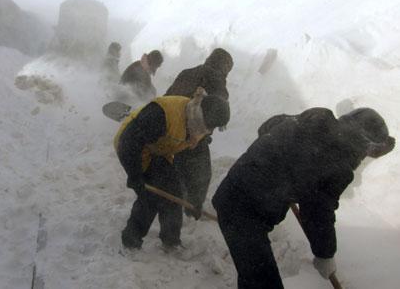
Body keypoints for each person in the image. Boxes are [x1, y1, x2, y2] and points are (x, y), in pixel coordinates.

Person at [212, 107, 395, 289]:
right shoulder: (339, 166)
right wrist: (325, 255)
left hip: (235, 193)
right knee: (263, 283)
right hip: (244, 213)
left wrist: (282, 161)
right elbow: (317, 212)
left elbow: (268, 126)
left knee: (254, 276)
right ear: (363, 144)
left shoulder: (314, 118)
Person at [114, 88, 230, 250]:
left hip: (158, 149)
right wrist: (135, 176)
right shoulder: (163, 114)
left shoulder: (198, 128)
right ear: (204, 115)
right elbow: (129, 141)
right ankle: (131, 241)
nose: (210, 131)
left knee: (174, 190)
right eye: (211, 126)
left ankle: (171, 241)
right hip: (132, 147)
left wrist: (195, 201)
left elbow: (198, 168)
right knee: (150, 194)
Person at [165, 48, 234, 220]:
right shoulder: (216, 78)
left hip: (171, 126)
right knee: (201, 175)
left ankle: (174, 202)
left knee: (179, 167)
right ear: (224, 67)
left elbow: (168, 96)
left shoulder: (187, 72)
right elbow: (219, 108)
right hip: (193, 133)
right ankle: (192, 210)